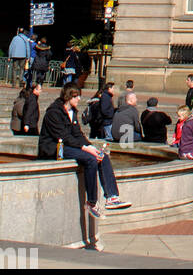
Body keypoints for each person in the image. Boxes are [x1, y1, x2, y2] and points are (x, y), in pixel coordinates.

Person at [38, 86, 130, 218]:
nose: (79, 99)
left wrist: (91, 147)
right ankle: (91, 203)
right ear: (68, 97)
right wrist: (85, 149)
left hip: (68, 145)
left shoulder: (72, 112)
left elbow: (78, 135)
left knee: (100, 156)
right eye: (76, 96)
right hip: (54, 148)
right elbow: (63, 136)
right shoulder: (54, 112)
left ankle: (112, 197)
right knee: (90, 159)